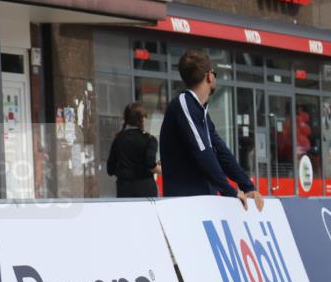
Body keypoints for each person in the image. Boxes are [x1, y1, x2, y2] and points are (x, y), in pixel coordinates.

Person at [159, 50, 263, 211]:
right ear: (210, 76)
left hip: (203, 200)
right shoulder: (184, 104)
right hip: (186, 203)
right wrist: (230, 190)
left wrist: (248, 186)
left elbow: (221, 151)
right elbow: (204, 153)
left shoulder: (201, 111)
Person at [106, 102, 160, 198]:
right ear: (142, 119)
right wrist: (161, 169)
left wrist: (125, 171)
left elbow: (110, 169)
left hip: (124, 189)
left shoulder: (118, 139)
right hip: (146, 189)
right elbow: (150, 164)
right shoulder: (149, 140)